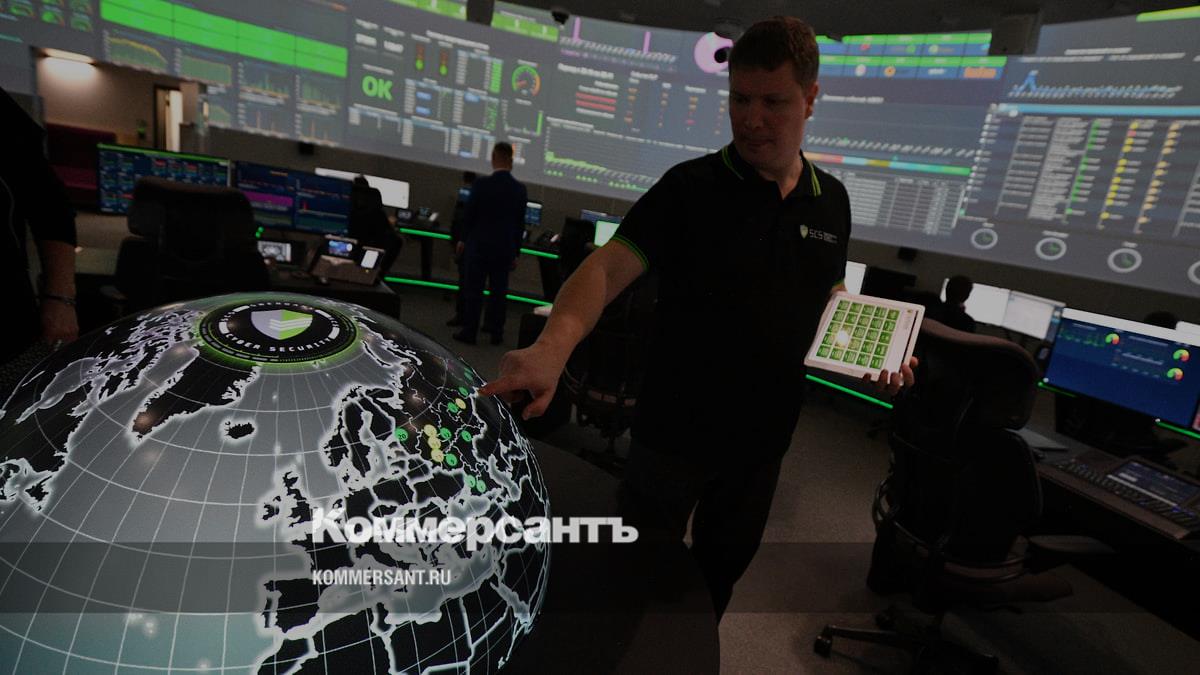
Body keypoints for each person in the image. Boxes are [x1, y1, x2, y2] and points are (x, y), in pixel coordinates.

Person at [480, 17, 915, 620]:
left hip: (762, 445)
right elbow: (605, 268)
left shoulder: (831, 200)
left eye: (772, 102)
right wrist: (553, 347)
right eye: (739, 99)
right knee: (630, 579)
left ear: (811, 98)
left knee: (715, 584)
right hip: (672, 434)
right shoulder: (690, 188)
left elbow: (828, 289)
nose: (751, 119)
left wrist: (869, 346)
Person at [1, 86, 78, 376]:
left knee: (19, 399)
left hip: (9, 335)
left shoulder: (5, 117)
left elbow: (50, 205)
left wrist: (61, 299)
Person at [453, 143, 526, 346]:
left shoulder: (481, 184)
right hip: (504, 248)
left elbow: (470, 215)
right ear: (511, 161)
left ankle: (470, 331)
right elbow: (519, 224)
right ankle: (496, 333)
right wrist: (516, 251)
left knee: (474, 291)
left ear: (494, 158)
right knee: (499, 292)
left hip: (479, 246)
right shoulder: (519, 189)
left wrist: (463, 239)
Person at [447, 170, 478, 327]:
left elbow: (459, 221)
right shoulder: (478, 197)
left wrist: (456, 242)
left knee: (465, 283)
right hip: (474, 246)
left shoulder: (465, 198)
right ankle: (467, 318)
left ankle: (462, 316)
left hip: (465, 246)